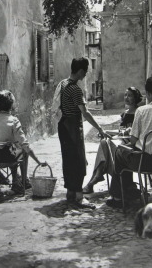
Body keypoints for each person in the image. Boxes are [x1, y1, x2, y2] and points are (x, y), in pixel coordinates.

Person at [105, 76, 152, 208]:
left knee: (119, 152)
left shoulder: (142, 111)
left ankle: (118, 196)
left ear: (149, 94)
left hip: (143, 162)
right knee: (125, 152)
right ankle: (130, 189)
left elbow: (133, 140)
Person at [57, 57, 105, 208]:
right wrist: (99, 128)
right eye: (85, 72)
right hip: (72, 127)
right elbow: (85, 113)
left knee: (68, 159)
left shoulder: (63, 84)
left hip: (63, 126)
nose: (85, 75)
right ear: (80, 71)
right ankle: (79, 196)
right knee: (78, 161)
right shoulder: (75, 89)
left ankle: (70, 192)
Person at [83, 86, 143, 194]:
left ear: (136, 98)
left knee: (105, 144)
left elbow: (134, 134)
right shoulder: (125, 113)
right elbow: (122, 131)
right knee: (104, 142)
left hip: (132, 145)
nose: (126, 97)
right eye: (125, 95)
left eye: (130, 95)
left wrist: (122, 133)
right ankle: (97, 176)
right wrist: (106, 132)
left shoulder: (139, 113)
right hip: (123, 141)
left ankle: (96, 178)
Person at [0, 90, 46, 194]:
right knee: (21, 151)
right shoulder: (13, 120)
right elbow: (25, 145)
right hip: (2, 157)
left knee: (11, 149)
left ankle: (16, 181)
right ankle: (23, 182)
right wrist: (38, 161)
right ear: (11, 105)